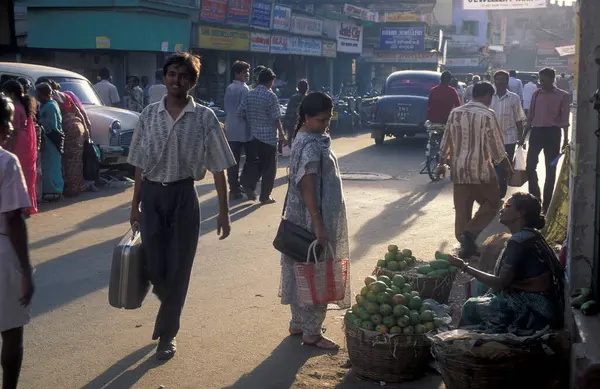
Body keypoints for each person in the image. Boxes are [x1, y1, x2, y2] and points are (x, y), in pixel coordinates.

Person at [128, 52, 235, 361]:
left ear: (193, 82)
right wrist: (134, 206)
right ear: (164, 77)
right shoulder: (149, 114)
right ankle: (167, 303)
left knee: (179, 269)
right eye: (172, 73)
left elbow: (219, 168)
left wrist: (224, 213)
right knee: (157, 266)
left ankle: (166, 334)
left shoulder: (204, 118)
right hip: (152, 196)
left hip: (184, 198)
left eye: (184, 76)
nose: (177, 80)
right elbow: (138, 163)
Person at [279, 91, 350, 350]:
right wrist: (319, 224)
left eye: (328, 119)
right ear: (307, 117)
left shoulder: (304, 136)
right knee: (317, 273)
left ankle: (298, 322)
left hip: (299, 218)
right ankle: (312, 332)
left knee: (301, 271)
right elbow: (307, 185)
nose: (325, 125)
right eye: (321, 120)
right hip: (311, 219)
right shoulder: (311, 144)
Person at [448, 192, 564, 335]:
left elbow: (501, 282)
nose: (502, 209)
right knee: (480, 285)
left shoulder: (518, 241)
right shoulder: (532, 234)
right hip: (544, 301)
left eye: (507, 206)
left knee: (469, 307)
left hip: (536, 311)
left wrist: (463, 266)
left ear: (520, 213)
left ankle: (465, 341)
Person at [438, 82, 513, 258]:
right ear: (487, 95)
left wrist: (441, 163)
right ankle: (470, 234)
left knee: (463, 208)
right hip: (482, 171)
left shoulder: (455, 112)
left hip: (459, 170)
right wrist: (508, 167)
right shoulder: (488, 114)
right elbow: (496, 146)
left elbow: (446, 140)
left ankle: (466, 244)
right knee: (493, 202)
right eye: (491, 97)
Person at [0, 93, 35, 389]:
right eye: (9, 120)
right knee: (11, 331)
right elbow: (13, 219)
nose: (12, 127)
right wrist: (26, 270)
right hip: (3, 252)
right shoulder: (6, 161)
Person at [521, 67, 570, 214]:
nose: (541, 83)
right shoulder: (536, 94)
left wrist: (565, 139)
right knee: (530, 167)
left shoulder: (563, 96)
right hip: (536, 133)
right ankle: (535, 198)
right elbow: (530, 118)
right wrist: (523, 137)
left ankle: (547, 203)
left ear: (552, 79)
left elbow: (565, 119)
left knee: (551, 169)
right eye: (540, 80)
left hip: (553, 134)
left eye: (544, 80)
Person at [237, 68, 286, 204]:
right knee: (269, 169)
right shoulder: (271, 96)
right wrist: (282, 135)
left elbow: (240, 112)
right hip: (268, 139)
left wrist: (252, 121)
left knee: (255, 164)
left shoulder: (249, 94)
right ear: (271, 81)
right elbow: (276, 118)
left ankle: (249, 185)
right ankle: (265, 196)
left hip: (253, 137)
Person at [38, 78, 92, 197]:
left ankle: (68, 189)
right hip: (78, 127)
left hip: (68, 129)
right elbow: (79, 112)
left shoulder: (51, 101)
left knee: (66, 160)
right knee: (76, 160)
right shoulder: (66, 95)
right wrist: (87, 130)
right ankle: (76, 187)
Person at [2, 81, 38, 215]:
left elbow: (14, 132)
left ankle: (21, 206)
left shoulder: (15, 108)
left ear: (11, 94)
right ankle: (26, 205)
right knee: (26, 173)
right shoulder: (22, 106)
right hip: (25, 141)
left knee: (18, 173)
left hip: (18, 143)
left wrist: (8, 149)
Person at [490, 70, 526, 198]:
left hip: (508, 139)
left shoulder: (514, 98)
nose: (501, 82)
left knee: (503, 168)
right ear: (494, 81)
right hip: (490, 140)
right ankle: (493, 191)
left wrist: (521, 138)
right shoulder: (489, 97)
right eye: (498, 79)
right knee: (491, 167)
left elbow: (519, 119)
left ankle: (500, 193)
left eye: (503, 79)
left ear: (507, 81)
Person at [224, 61, 251, 201]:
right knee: (250, 159)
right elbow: (245, 110)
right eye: (245, 72)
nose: (247, 75)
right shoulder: (244, 89)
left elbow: (227, 108)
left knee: (233, 161)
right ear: (237, 73)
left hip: (231, 128)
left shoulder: (229, 88)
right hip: (244, 130)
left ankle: (233, 188)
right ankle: (241, 185)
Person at [36, 83, 64, 200]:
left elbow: (52, 125)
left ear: (43, 94)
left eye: (39, 94)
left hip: (52, 138)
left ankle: (53, 191)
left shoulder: (50, 106)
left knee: (51, 166)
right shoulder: (51, 104)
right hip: (50, 139)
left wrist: (39, 122)